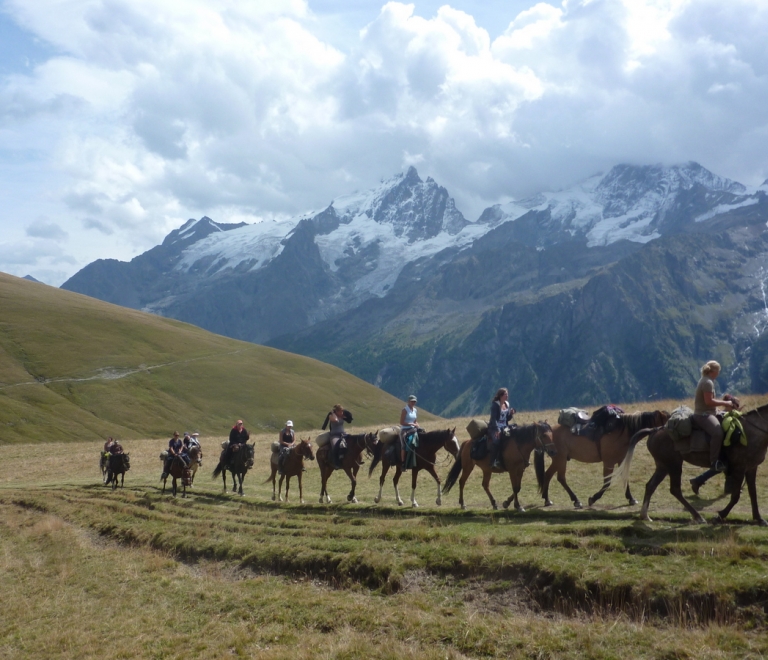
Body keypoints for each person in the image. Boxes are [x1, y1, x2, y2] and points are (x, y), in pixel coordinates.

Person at [689, 361, 737, 492]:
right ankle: (714, 461)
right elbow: (708, 402)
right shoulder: (708, 382)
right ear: (713, 371)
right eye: (718, 371)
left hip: (709, 412)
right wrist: (725, 402)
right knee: (717, 432)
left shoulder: (707, 380)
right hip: (703, 415)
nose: (719, 374)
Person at [488, 388, 516, 469]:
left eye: (507, 394)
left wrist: (510, 414)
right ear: (500, 395)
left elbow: (506, 418)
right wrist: (497, 430)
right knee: (496, 440)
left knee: (512, 436)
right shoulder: (495, 405)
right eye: (505, 394)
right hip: (494, 427)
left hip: (505, 427)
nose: (507, 396)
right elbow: (493, 419)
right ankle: (493, 461)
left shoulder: (506, 404)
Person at [399, 395, 420, 468]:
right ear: (408, 401)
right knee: (404, 444)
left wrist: (417, 425)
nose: (413, 402)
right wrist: (410, 424)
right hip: (405, 429)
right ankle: (403, 462)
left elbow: (415, 421)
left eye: (414, 401)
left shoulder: (415, 410)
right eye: (412, 401)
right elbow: (401, 422)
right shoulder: (405, 410)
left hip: (413, 428)